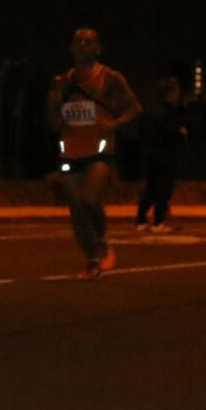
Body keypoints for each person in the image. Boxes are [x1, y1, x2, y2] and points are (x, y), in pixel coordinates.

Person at [48, 27, 141, 279]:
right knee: (75, 206)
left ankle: (101, 240)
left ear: (98, 48)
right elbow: (53, 122)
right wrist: (55, 106)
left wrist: (113, 124)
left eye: (88, 42)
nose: (83, 46)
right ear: (71, 48)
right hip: (70, 150)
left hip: (99, 149)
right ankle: (92, 260)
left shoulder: (110, 78)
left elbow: (134, 108)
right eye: (78, 42)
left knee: (89, 199)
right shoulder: (62, 81)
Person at [134, 76, 187, 231]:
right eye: (176, 91)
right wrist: (180, 132)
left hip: (150, 153)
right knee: (164, 188)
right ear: (170, 93)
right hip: (166, 154)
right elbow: (170, 132)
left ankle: (141, 220)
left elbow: (141, 130)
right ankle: (158, 221)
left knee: (150, 187)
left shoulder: (149, 111)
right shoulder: (170, 112)